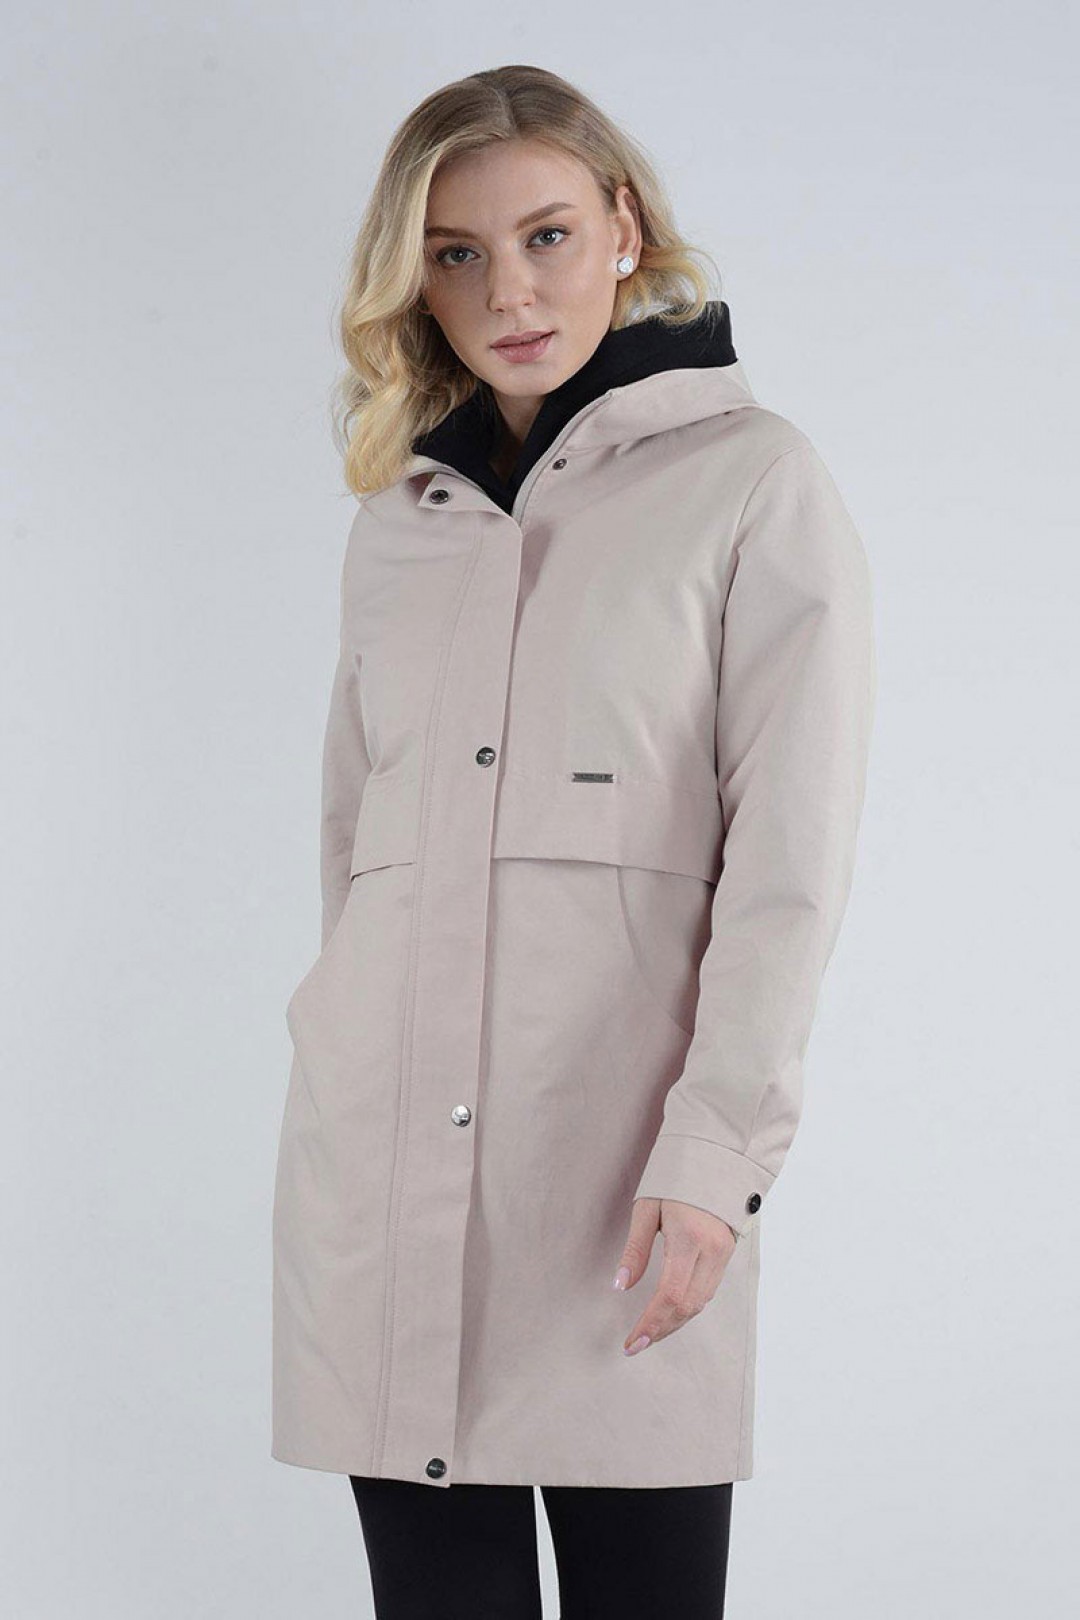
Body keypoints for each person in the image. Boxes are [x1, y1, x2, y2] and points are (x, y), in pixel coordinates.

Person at [271, 63, 876, 1620]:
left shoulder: (753, 482)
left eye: (545, 235)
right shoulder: (399, 519)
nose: (509, 293)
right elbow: (351, 855)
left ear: (623, 226)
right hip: (385, 1184)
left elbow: (788, 866)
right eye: (457, 255)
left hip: (619, 1185)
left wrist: (718, 1153)